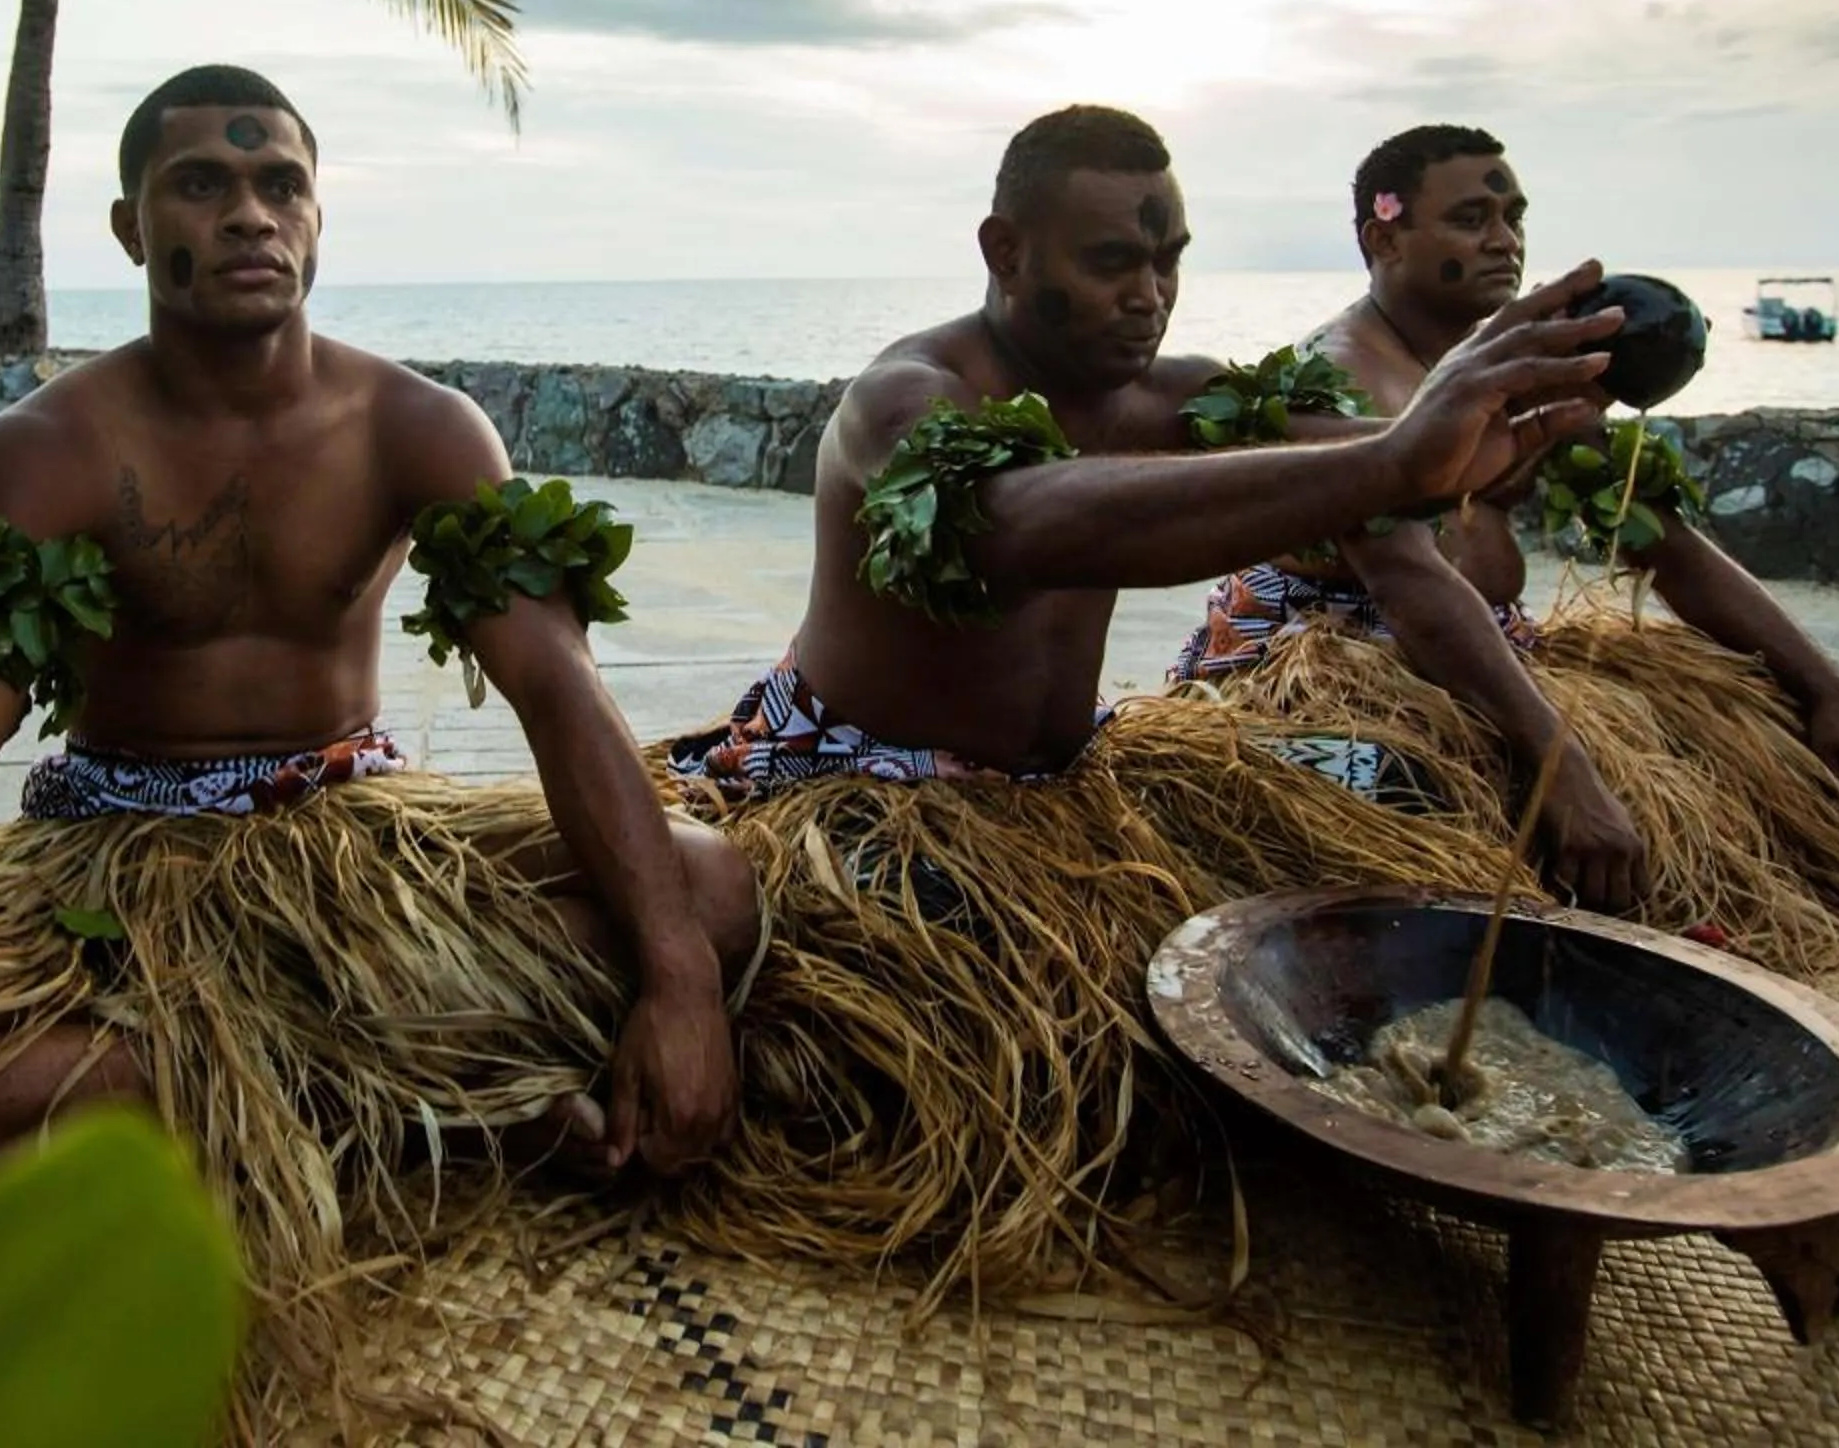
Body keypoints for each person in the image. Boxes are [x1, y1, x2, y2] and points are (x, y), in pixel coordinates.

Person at [0, 66, 758, 1426]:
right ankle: (419, 1111)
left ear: (321, 221)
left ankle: (292, 1110)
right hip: (122, 860)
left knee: (710, 892)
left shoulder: (419, 427)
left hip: (355, 845)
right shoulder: (46, 453)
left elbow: (559, 697)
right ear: (129, 227)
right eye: (202, 186)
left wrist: (680, 991)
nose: (248, 215)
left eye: (280, 184)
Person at [656, 105, 1625, 1301]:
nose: (1151, 291)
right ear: (1004, 250)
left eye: (1169, 258)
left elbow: (1390, 485)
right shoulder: (905, 402)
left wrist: (1468, 448)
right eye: (1112, 259)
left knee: (1393, 813)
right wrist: (1393, 459)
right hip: (861, 788)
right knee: (1002, 1068)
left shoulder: (1183, 398)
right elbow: (1020, 520)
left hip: (1075, 790)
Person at [1166, 122, 1839, 985]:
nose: (1506, 237)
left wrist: (1829, 693)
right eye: (1471, 216)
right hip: (1337, 672)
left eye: (1514, 212)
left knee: (1750, 731)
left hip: (1489, 653)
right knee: (1440, 847)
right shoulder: (1334, 378)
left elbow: (1667, 545)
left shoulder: (1526, 373)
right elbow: (1414, 581)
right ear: (1382, 232)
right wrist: (1565, 762)